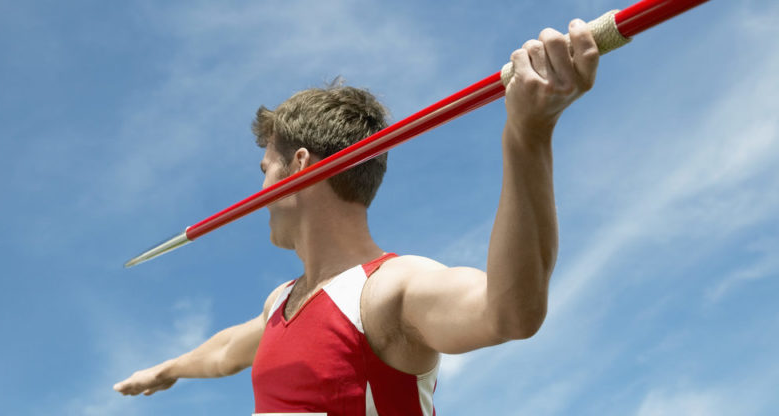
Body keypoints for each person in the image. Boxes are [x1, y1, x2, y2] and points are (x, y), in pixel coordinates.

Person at [114, 19, 599, 415]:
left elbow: (510, 313)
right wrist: (166, 370)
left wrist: (528, 135)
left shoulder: (390, 290)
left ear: (298, 166)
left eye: (265, 170)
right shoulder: (279, 304)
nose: (259, 193)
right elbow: (224, 352)